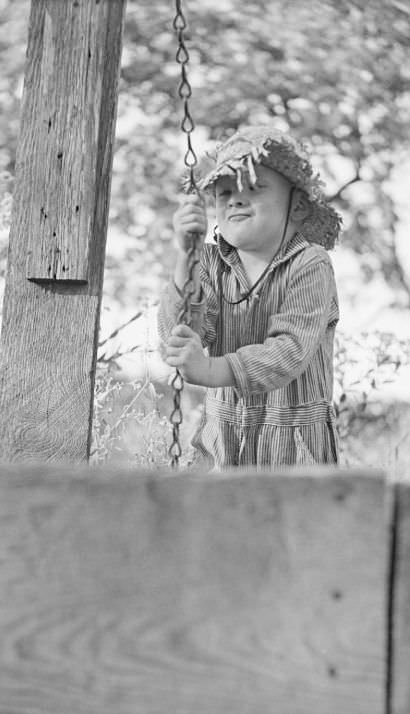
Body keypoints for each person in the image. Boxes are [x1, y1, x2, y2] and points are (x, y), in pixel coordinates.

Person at [158, 125, 341, 469]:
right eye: (224, 193)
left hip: (292, 450)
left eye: (254, 188)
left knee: (290, 522)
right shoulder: (210, 263)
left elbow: (289, 350)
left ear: (298, 206)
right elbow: (183, 333)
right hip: (222, 444)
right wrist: (186, 256)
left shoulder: (309, 263)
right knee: (214, 521)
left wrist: (212, 368)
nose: (236, 199)